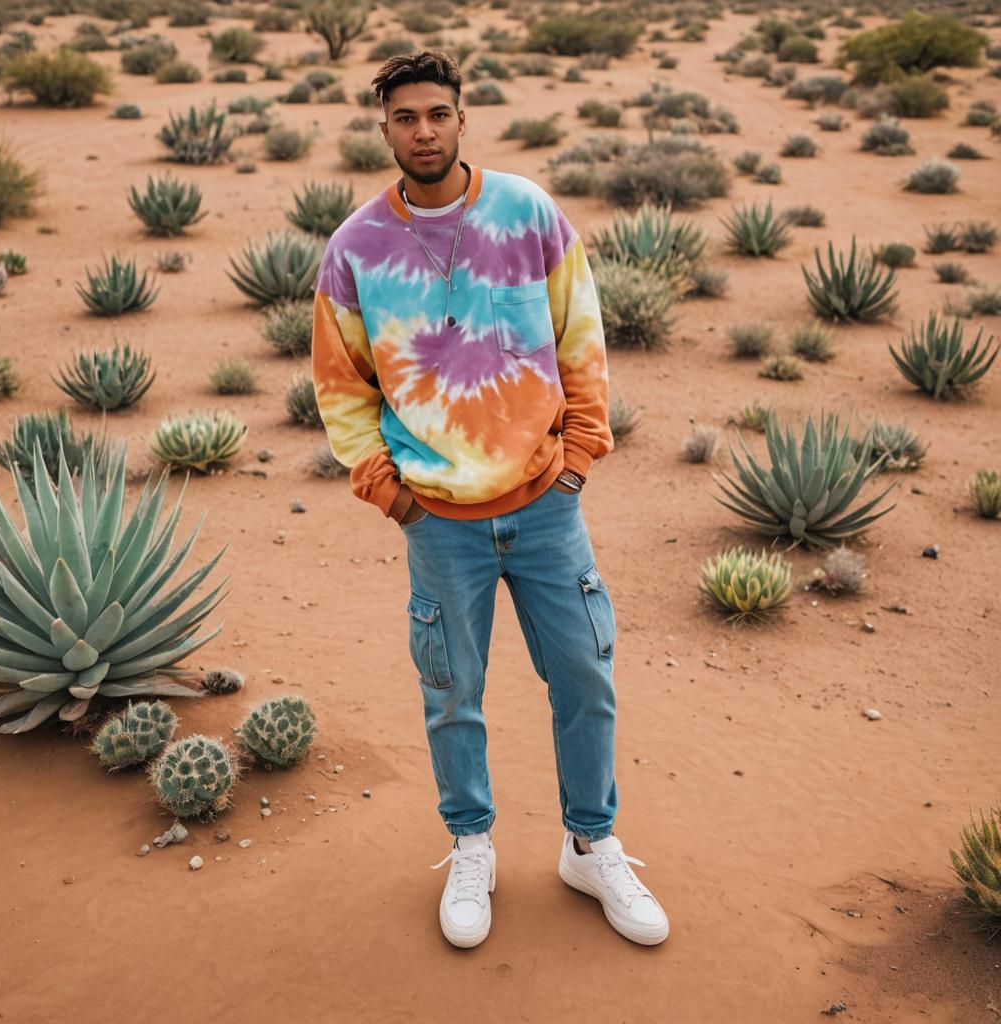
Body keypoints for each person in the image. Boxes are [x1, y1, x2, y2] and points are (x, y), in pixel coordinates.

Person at [310, 50, 669, 949]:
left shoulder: (528, 211)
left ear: (463, 117)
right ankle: (472, 846)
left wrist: (581, 455)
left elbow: (580, 336)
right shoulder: (354, 249)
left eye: (437, 113)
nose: (423, 131)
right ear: (383, 127)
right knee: (451, 692)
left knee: (585, 678)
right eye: (405, 118)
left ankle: (591, 844)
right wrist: (390, 494)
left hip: (548, 504)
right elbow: (341, 388)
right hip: (439, 519)